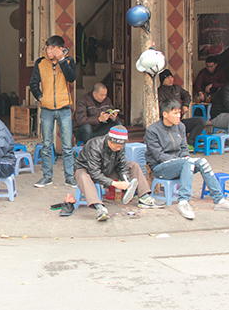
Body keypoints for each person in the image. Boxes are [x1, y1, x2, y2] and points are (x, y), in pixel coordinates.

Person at [145, 100, 229, 220]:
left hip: (180, 164)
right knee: (187, 162)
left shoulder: (180, 126)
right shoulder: (152, 130)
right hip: (161, 168)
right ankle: (183, 202)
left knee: (202, 161)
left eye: (179, 113)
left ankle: (219, 200)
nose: (178, 116)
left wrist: (185, 159)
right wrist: (180, 161)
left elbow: (184, 148)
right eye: (175, 113)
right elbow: (158, 156)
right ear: (165, 114)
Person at [74, 125, 165, 221]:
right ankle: (99, 207)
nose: (118, 149)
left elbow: (122, 166)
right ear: (109, 140)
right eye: (117, 146)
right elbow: (94, 173)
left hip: (107, 169)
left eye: (121, 147)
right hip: (87, 170)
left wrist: (126, 180)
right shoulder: (94, 145)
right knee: (83, 176)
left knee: (133, 165)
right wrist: (115, 184)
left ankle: (144, 197)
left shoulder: (120, 147)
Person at [29, 35, 77, 188]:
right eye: (47, 48)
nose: (48, 52)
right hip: (47, 109)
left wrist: (62, 60)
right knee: (47, 144)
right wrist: (40, 97)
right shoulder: (40, 63)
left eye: (51, 49)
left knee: (67, 146)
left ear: (59, 49)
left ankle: (70, 177)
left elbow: (72, 78)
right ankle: (47, 177)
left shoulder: (69, 61)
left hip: (64, 109)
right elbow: (33, 83)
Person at [158, 69, 206, 150]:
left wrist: (185, 105)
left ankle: (189, 143)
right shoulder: (159, 92)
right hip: (168, 124)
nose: (170, 80)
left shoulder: (177, 88)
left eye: (171, 77)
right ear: (162, 80)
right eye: (167, 78)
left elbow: (187, 95)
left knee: (201, 121)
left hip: (179, 122)